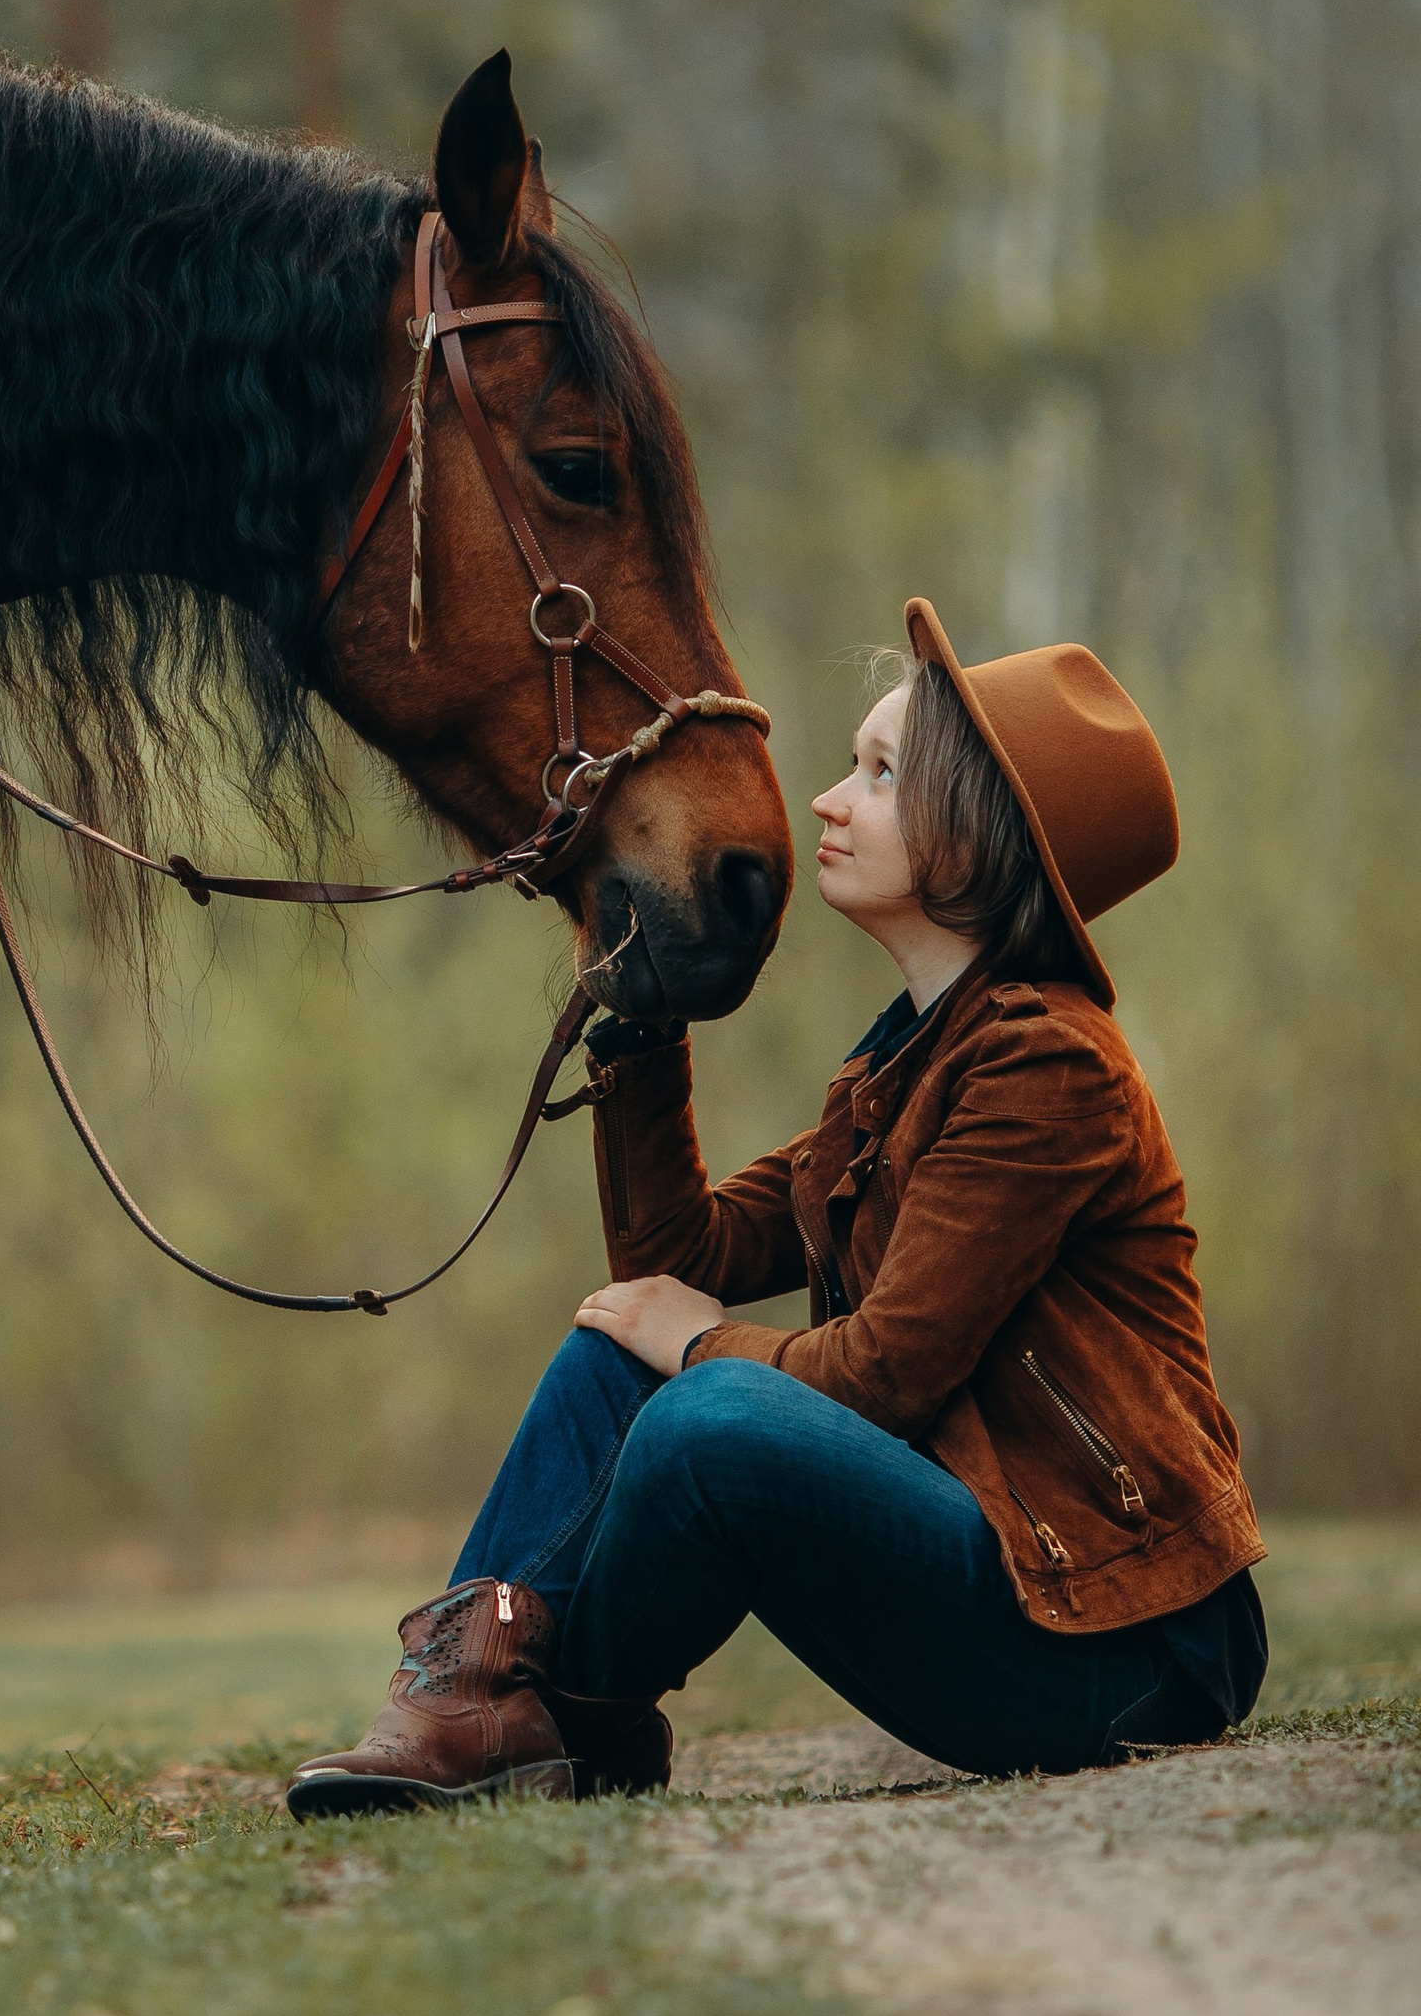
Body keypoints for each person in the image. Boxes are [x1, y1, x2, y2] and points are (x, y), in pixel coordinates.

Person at [288, 601, 1266, 1817]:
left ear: (984, 832)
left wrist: (700, 1343)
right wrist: (640, 1020)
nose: (826, 802)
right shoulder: (905, 1072)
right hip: (1026, 1594)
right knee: (616, 1357)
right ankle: (470, 1699)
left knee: (710, 1414)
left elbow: (885, 1374)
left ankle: (555, 1718)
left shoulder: (1048, 1067)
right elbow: (678, 1254)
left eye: (879, 775)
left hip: (1125, 1646)